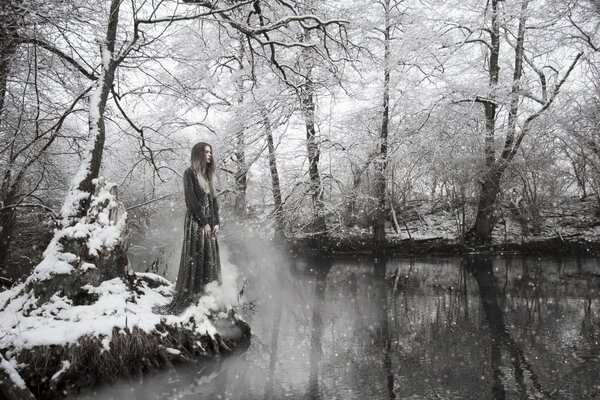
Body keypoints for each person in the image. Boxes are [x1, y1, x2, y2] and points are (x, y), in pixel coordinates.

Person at [154, 142, 222, 314]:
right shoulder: (189, 173)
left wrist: (215, 222)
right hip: (195, 222)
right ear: (198, 154)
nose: (209, 155)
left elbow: (214, 202)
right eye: (206, 152)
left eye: (210, 152)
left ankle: (207, 295)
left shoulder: (208, 175)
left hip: (209, 223)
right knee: (197, 255)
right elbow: (191, 201)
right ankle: (192, 295)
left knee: (210, 257)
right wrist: (204, 221)